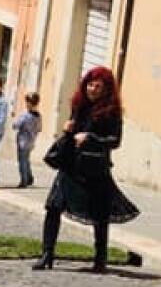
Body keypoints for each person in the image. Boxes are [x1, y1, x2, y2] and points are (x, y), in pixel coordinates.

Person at [34, 66, 137, 274]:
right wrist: (68, 130)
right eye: (90, 85)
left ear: (106, 89)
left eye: (97, 86)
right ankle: (47, 254)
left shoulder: (112, 113)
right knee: (53, 207)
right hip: (71, 166)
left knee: (100, 216)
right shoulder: (78, 106)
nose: (92, 89)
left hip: (95, 169)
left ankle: (100, 260)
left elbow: (115, 141)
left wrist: (91, 138)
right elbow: (72, 131)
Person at [14, 91, 42, 188]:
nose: (26, 103)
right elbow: (39, 129)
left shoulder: (25, 115)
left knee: (22, 161)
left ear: (29, 103)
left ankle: (24, 181)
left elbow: (16, 125)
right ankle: (29, 177)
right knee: (26, 160)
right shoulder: (38, 116)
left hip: (23, 141)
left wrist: (15, 121)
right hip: (31, 141)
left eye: (27, 101)